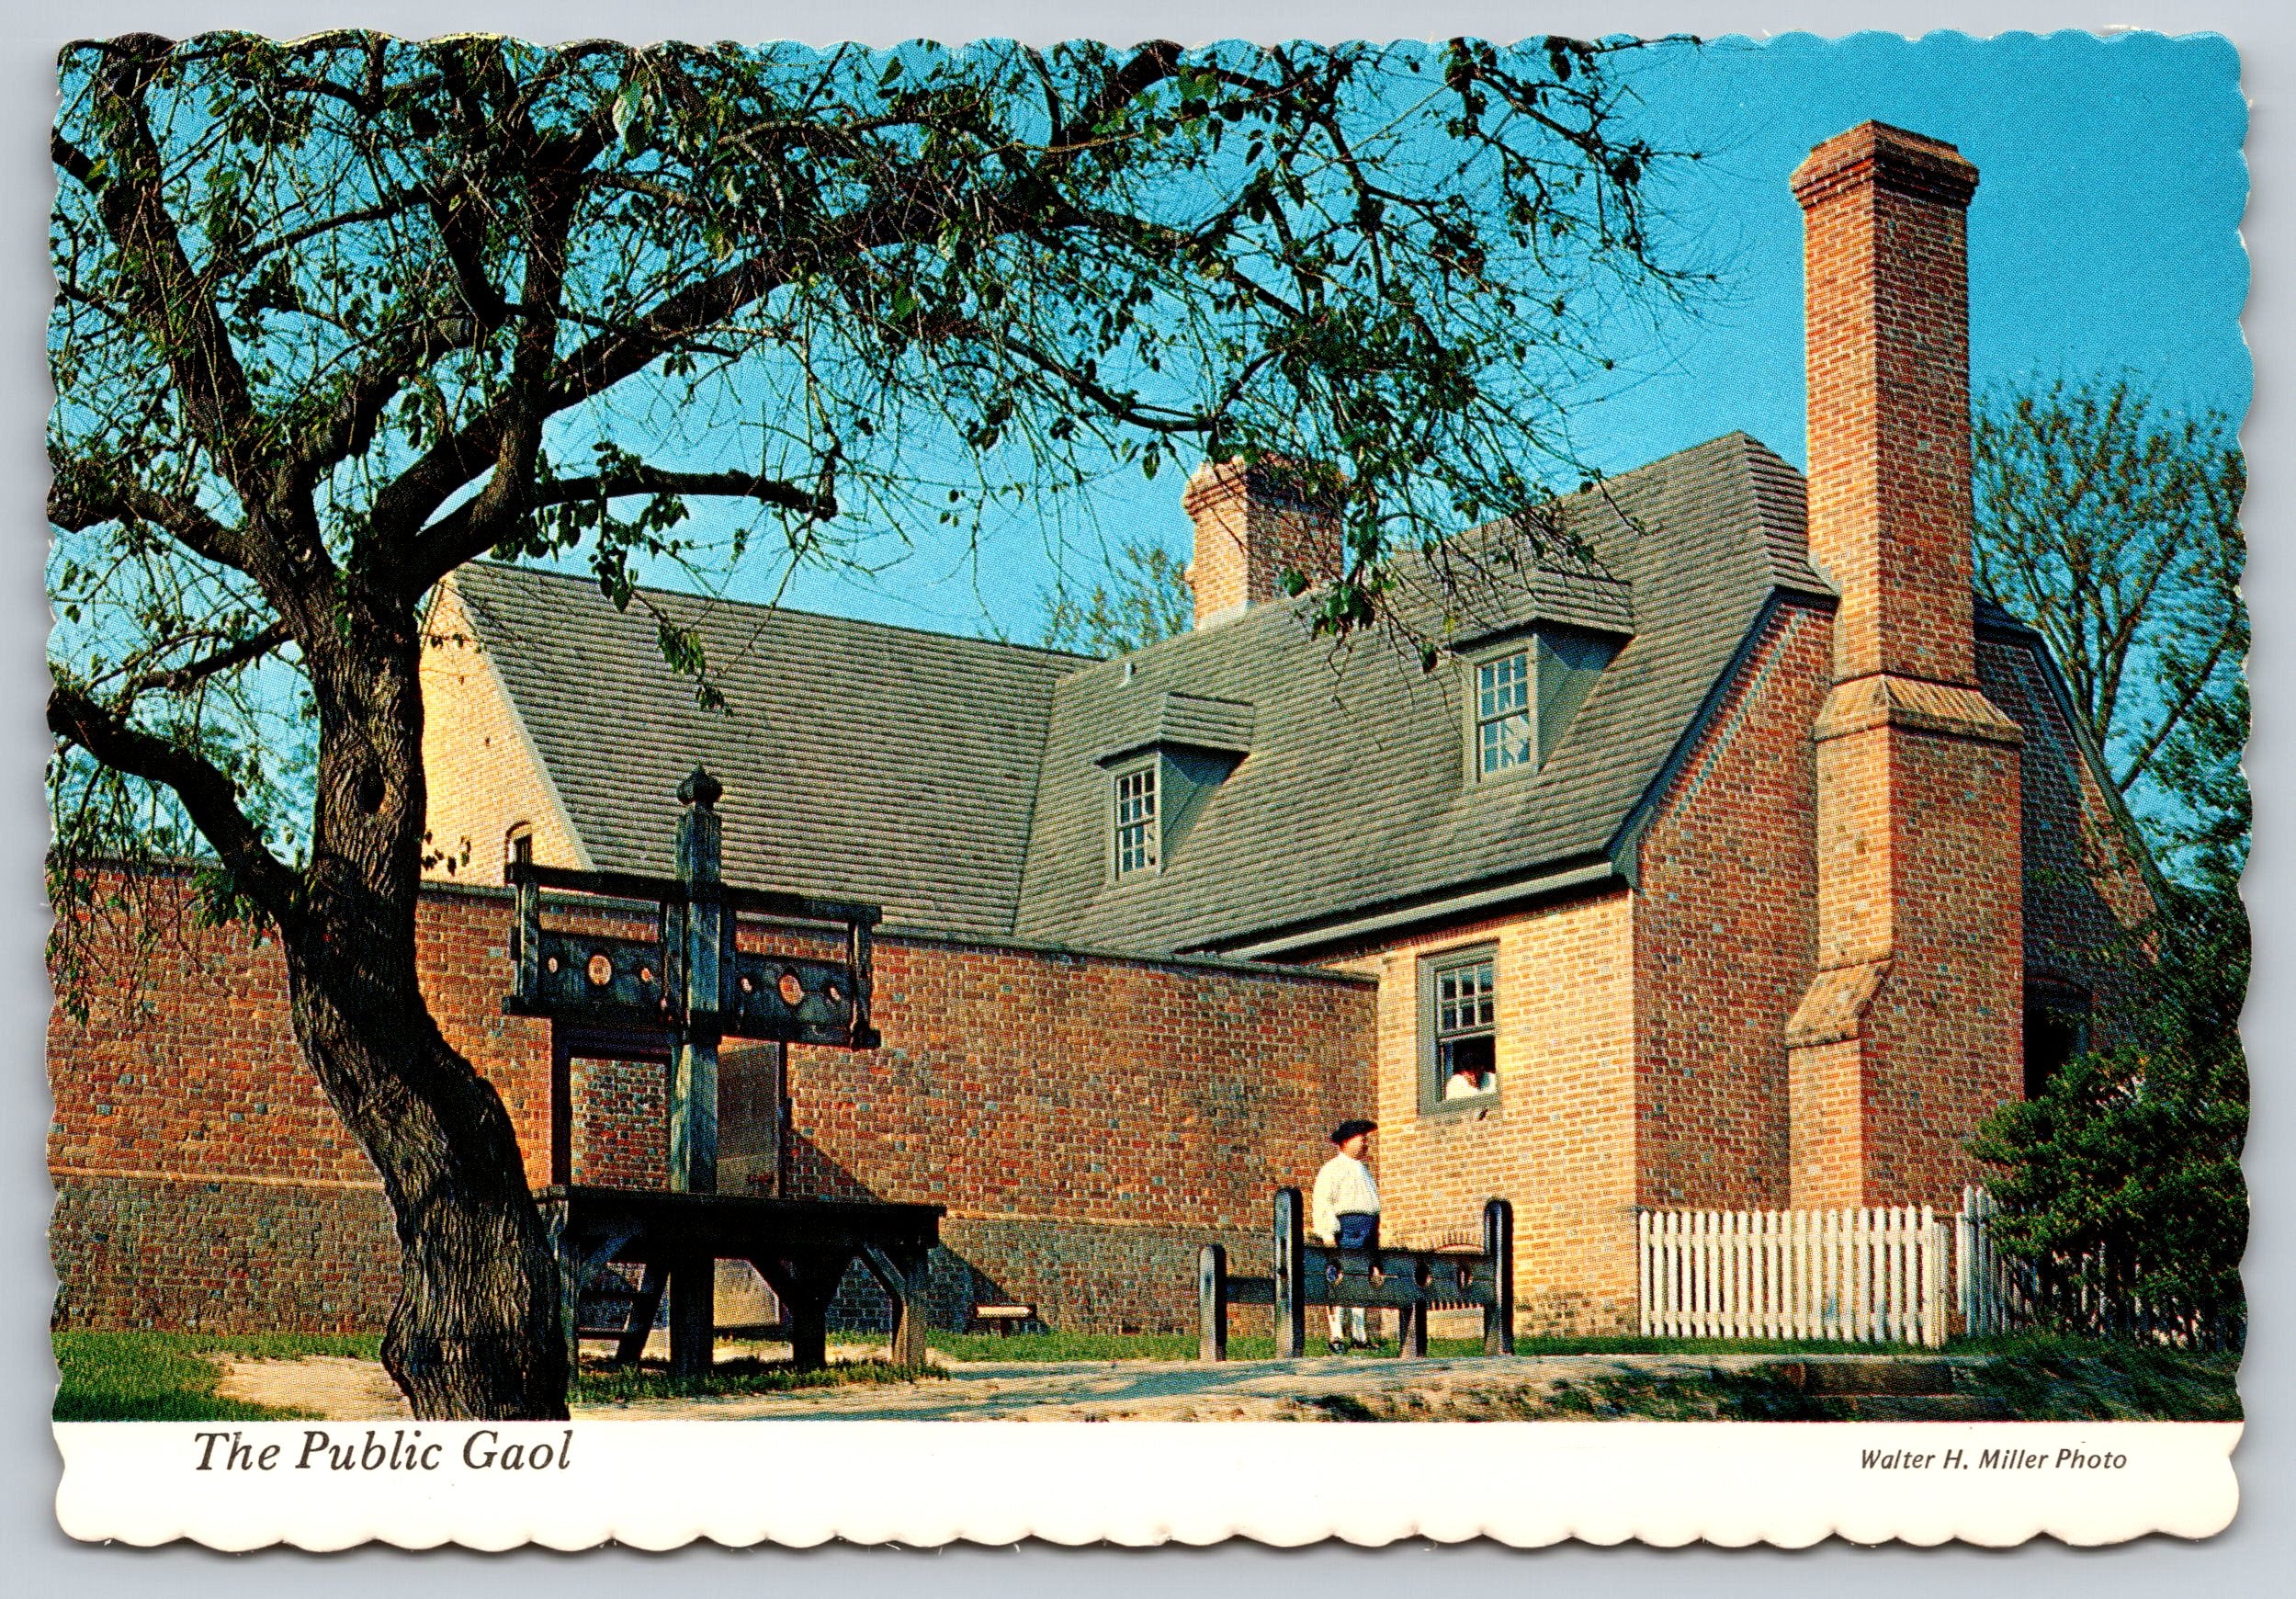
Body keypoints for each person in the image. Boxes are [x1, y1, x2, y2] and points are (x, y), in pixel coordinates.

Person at [1311, 1118, 1380, 1353]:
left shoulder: (1364, 1172)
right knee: (1340, 1279)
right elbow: (1323, 1202)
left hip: (1367, 1229)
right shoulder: (1332, 1170)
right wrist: (1328, 1233)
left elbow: (1372, 1206)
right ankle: (1337, 1334)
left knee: (1360, 1280)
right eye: (1360, 1138)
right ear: (1345, 1142)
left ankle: (1360, 1336)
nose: (1365, 1143)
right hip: (1346, 1229)